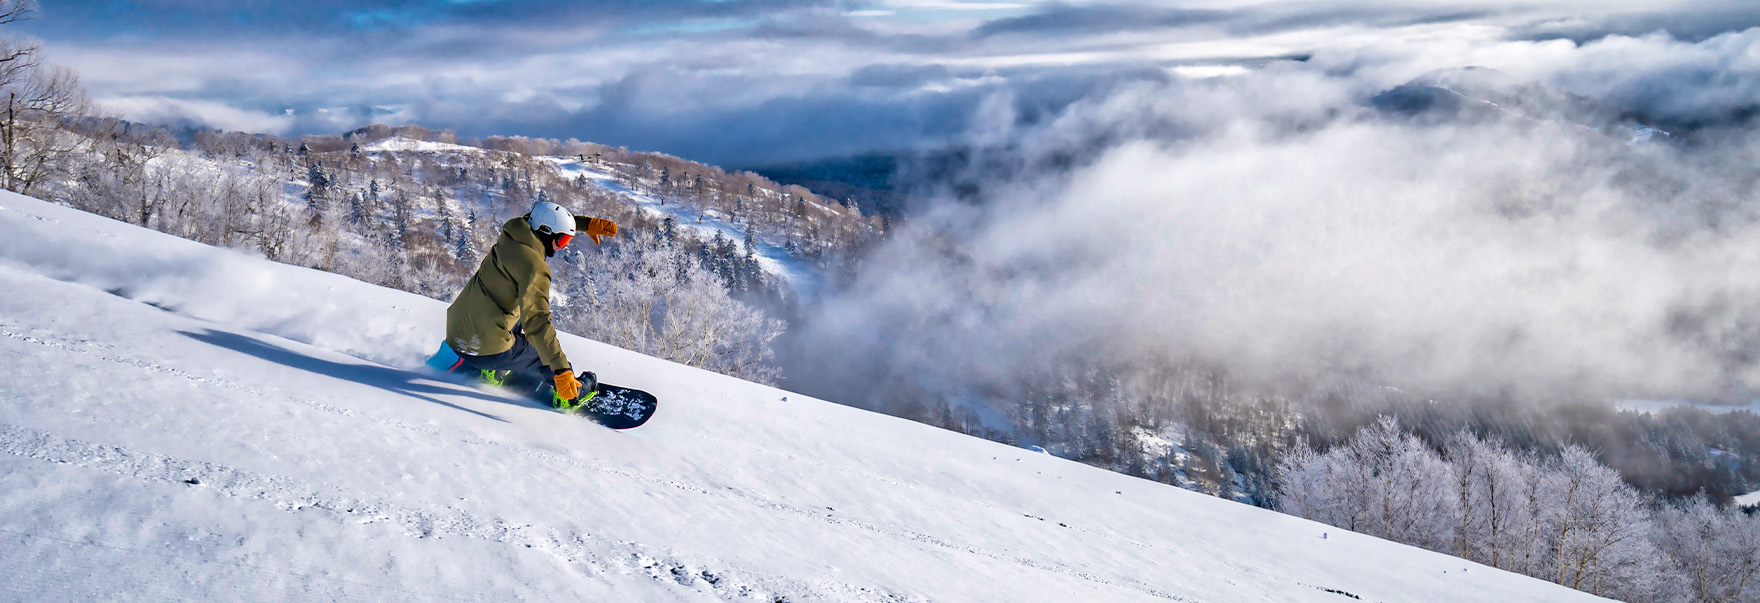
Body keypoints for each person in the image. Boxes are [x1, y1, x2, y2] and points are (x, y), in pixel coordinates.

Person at [442, 200, 618, 408]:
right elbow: (537, 321)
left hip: (457, 333)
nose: (563, 247)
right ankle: (569, 395)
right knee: (542, 354)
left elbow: (535, 217)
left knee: (514, 309)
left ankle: (493, 370)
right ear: (546, 233)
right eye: (562, 240)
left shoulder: (512, 234)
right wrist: (562, 369)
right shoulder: (534, 267)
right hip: (485, 348)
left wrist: (582, 224)